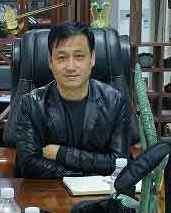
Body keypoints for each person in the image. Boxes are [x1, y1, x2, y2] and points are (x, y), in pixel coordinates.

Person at [14, 21, 131, 178]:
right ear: (50, 61)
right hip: (50, 191)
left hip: (101, 191)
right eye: (62, 58)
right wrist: (85, 173)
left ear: (92, 58)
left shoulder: (115, 101)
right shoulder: (31, 103)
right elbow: (28, 164)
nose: (70, 66)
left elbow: (119, 162)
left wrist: (63, 154)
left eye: (79, 56)